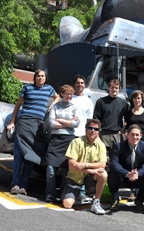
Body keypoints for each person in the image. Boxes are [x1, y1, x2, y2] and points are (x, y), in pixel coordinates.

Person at [7, 69, 60, 195]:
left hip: (38, 125)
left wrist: (51, 105)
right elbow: (18, 105)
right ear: (35, 78)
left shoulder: (49, 89)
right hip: (24, 122)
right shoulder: (27, 88)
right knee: (19, 155)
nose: (40, 78)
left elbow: (57, 97)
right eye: (38, 76)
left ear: (45, 78)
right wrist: (13, 122)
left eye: (43, 76)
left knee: (31, 157)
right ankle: (15, 184)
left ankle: (24, 186)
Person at [62, 119, 107, 215]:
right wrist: (90, 170)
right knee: (67, 204)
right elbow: (71, 163)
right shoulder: (76, 142)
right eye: (90, 128)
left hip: (90, 178)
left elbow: (102, 164)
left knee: (103, 174)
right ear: (85, 129)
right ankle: (72, 194)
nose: (92, 131)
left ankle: (96, 202)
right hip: (75, 178)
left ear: (99, 131)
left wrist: (85, 165)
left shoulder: (101, 145)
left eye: (95, 129)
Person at [44, 85, 79, 203]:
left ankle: (63, 193)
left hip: (69, 140)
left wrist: (60, 121)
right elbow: (51, 124)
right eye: (67, 93)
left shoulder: (75, 107)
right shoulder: (55, 107)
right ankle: (50, 194)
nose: (69, 96)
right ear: (62, 94)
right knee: (50, 168)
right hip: (56, 139)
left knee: (65, 170)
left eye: (71, 94)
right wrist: (68, 123)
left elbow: (76, 124)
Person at [108, 124, 144, 211]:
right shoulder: (118, 146)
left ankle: (139, 200)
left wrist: (138, 173)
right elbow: (114, 164)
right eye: (132, 134)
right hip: (123, 177)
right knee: (112, 175)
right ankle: (115, 199)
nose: (135, 137)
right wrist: (127, 174)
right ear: (127, 135)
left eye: (137, 135)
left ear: (141, 136)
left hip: (137, 177)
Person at [124, 90, 144, 201]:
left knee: (142, 166)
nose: (137, 100)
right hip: (131, 141)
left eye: (139, 98)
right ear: (133, 100)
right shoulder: (128, 113)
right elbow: (126, 127)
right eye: (135, 98)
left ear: (142, 100)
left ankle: (140, 191)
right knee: (131, 164)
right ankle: (132, 191)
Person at [71, 74, 94, 203]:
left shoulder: (88, 101)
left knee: (82, 165)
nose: (80, 85)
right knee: (71, 165)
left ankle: (82, 192)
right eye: (78, 83)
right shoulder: (70, 98)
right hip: (71, 135)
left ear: (85, 85)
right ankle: (70, 191)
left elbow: (90, 121)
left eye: (82, 83)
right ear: (74, 84)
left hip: (83, 135)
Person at [93, 79, 129, 159]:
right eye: (112, 87)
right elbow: (96, 120)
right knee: (102, 159)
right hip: (103, 134)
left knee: (116, 159)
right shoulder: (101, 102)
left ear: (119, 89)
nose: (114, 90)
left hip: (117, 135)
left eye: (116, 88)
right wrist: (97, 135)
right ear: (108, 88)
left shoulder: (123, 103)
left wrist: (124, 129)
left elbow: (127, 119)